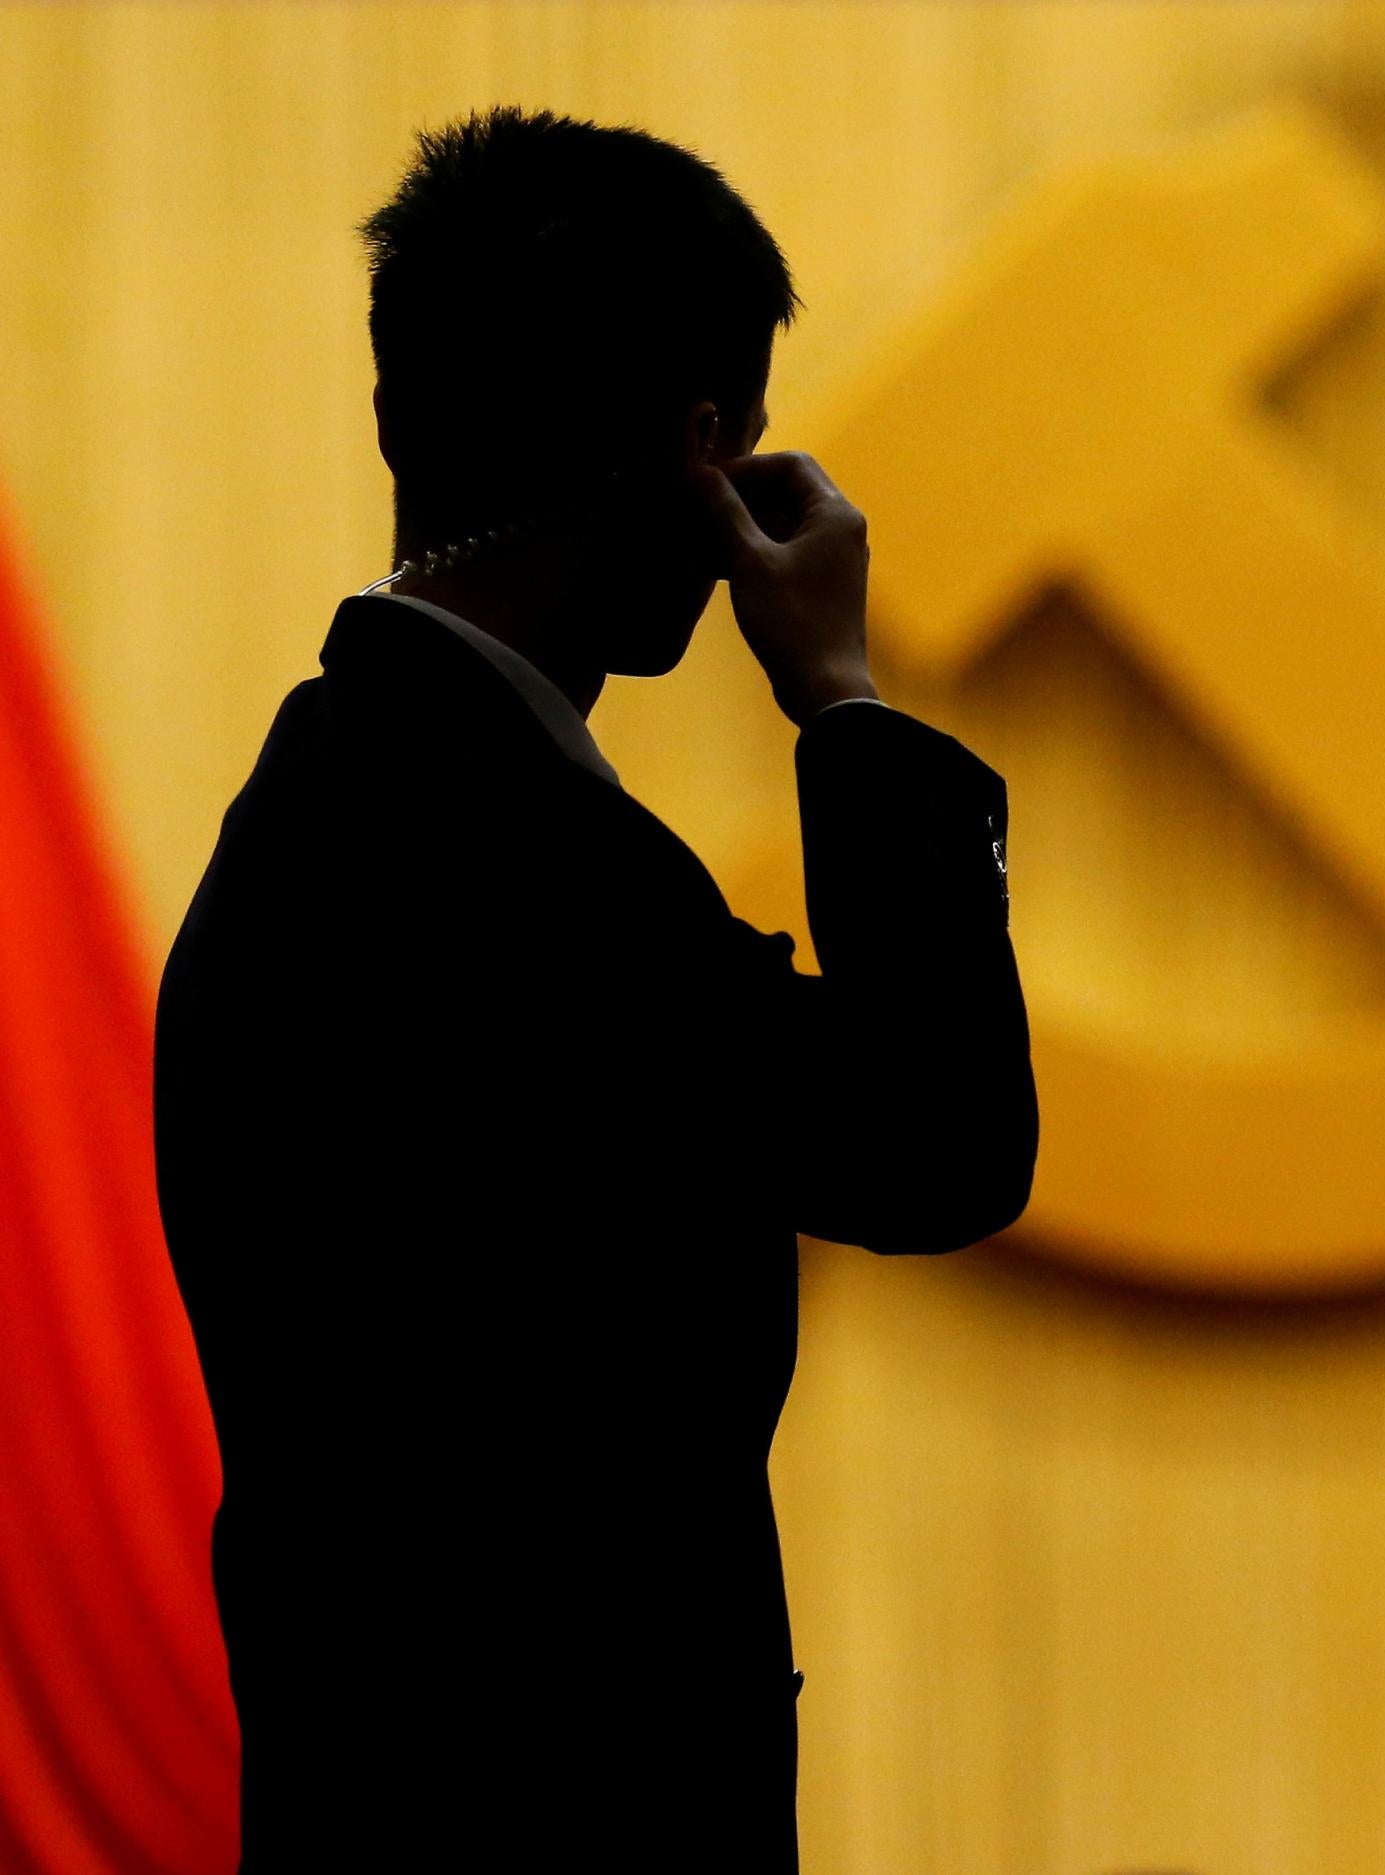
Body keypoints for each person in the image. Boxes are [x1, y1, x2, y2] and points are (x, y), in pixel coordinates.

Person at [152, 106, 1037, 1872]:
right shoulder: (511, 859)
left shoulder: (341, 795)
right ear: (706, 452)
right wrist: (844, 703)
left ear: (399, 417)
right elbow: (934, 1146)